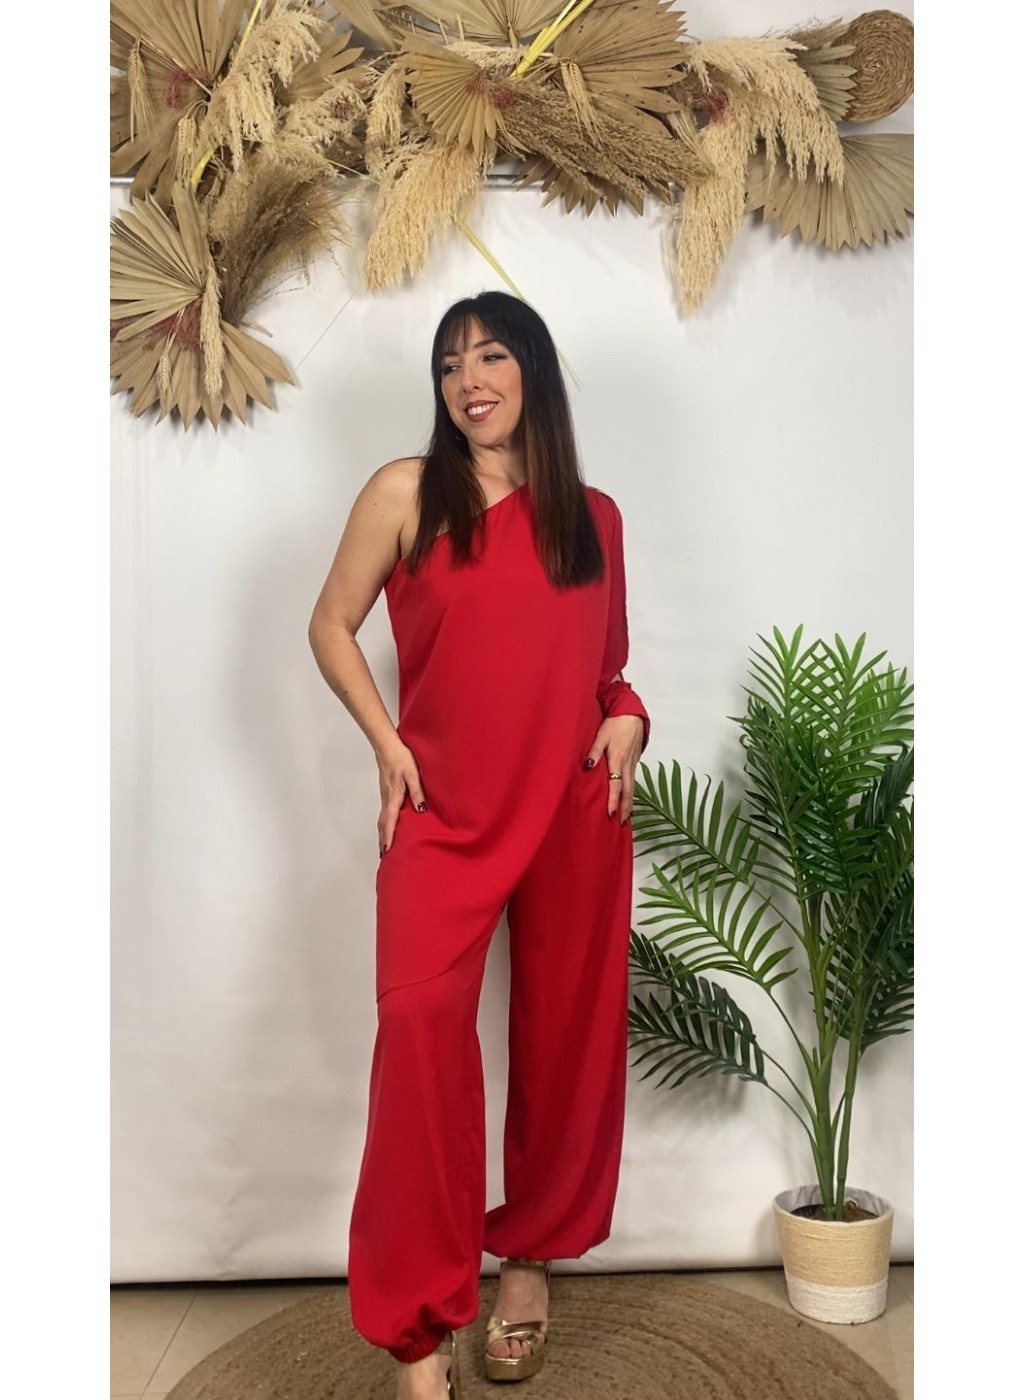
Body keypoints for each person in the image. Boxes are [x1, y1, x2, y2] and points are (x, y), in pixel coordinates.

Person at [308, 291, 651, 1399]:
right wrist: (385, 743)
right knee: (417, 1032)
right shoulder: (405, 493)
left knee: (563, 1040)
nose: (468, 380)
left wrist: (629, 715)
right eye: (450, 364)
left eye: (491, 355)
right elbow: (329, 623)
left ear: (532, 370)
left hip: (570, 809)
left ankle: (529, 1261)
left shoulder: (591, 517)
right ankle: (419, 1332)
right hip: (443, 816)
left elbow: (604, 668)